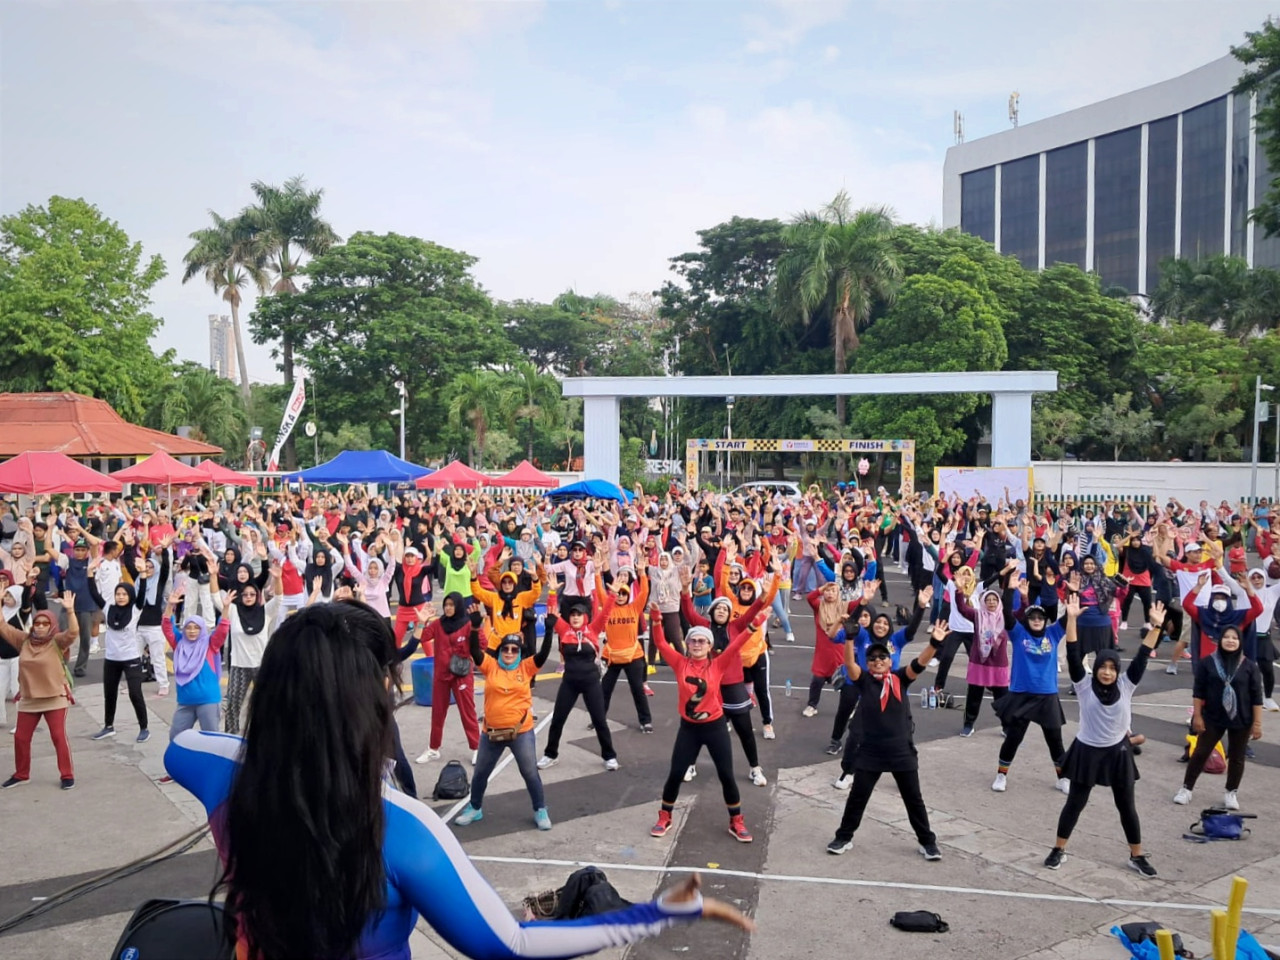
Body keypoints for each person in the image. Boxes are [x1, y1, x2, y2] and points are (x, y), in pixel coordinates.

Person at [165, 600, 751, 960]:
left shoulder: (223, 773)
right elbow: (511, 944)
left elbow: (181, 746)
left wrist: (277, 738)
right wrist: (650, 915)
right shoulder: (399, 827)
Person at [1045, 596, 1161, 878]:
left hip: (1118, 752)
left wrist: (1155, 627)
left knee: (1127, 807)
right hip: (1087, 751)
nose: (1107, 672)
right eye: (1103, 667)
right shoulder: (1083, 685)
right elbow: (1073, 653)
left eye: (1111, 668)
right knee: (1075, 803)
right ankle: (1058, 849)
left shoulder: (1127, 683)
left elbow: (1143, 655)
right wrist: (1071, 619)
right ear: (1095, 669)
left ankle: (1137, 855)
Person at [825, 621, 950, 860]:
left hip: (901, 750)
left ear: (890, 661)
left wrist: (934, 643)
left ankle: (927, 842)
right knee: (857, 798)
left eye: (883, 657)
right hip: (870, 751)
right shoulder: (864, 680)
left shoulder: (901, 678)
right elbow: (850, 665)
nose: (878, 660)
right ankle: (844, 837)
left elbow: (920, 663)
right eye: (873, 658)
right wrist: (849, 639)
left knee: (914, 799)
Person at [649, 614, 755, 843]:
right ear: (687, 644)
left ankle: (736, 820)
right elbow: (659, 643)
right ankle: (665, 816)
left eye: (702, 641)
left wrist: (753, 626)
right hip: (689, 729)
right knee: (676, 773)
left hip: (715, 727)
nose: (697, 644)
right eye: (693, 641)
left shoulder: (718, 664)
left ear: (710, 646)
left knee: (726, 775)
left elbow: (737, 644)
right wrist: (657, 620)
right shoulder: (679, 663)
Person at [991, 569, 1068, 795]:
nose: (1036, 620)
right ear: (1027, 619)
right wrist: (1010, 589)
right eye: (1032, 617)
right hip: (1021, 694)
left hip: (1047, 695)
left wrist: (1073, 591)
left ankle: (1062, 777)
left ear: (1044, 621)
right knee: (1013, 738)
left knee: (1055, 739)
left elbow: (1070, 615)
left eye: (1039, 618)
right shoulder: (1018, 634)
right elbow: (1006, 614)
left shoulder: (1053, 634)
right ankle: (1001, 775)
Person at [1173, 624, 1265, 811]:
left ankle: (1231, 792)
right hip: (1213, 717)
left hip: (1242, 719)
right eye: (1227, 637)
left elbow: (1257, 697)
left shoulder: (1249, 666)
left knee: (1237, 757)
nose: (1230, 641)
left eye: (1235, 638)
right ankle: (1186, 789)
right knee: (1200, 752)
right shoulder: (1208, 663)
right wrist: (1197, 716)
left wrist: (1257, 723)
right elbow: (1198, 692)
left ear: (1240, 642)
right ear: (1220, 640)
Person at [0, 595, 78, 789]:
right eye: (37, 623)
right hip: (29, 699)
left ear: (51, 626)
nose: (41, 627)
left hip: (54, 698)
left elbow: (74, 632)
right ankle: (21, 774)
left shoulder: (57, 641)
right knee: (20, 738)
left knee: (58, 736)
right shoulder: (24, 641)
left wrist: (70, 611)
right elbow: (2, 626)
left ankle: (67, 775)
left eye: (45, 623)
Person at [538, 594, 620, 770]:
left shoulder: (593, 629)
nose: (575, 617)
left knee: (599, 720)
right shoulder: (564, 630)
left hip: (591, 682)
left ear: (585, 617)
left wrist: (612, 595)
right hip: (569, 682)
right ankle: (550, 754)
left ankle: (609, 756)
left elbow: (606, 613)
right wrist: (552, 593)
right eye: (573, 614)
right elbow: (552, 612)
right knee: (558, 720)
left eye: (579, 614)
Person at [410, 593, 481, 765]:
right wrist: (421, 621)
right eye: (446, 604)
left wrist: (477, 628)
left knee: (467, 712)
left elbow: (482, 645)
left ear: (458, 606)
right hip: (441, 675)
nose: (448, 608)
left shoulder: (468, 624)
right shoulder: (438, 624)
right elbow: (422, 636)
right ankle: (433, 749)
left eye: (451, 605)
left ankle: (477, 748)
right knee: (438, 714)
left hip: (462, 675)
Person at [87, 567, 150, 743]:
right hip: (111, 660)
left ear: (130, 596)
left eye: (124, 594)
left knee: (135, 693)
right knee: (110, 693)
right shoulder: (108, 609)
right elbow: (93, 592)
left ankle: (144, 728)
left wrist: (143, 574)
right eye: (118, 594)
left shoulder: (136, 609)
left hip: (131, 658)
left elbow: (142, 593)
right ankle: (108, 726)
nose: (121, 597)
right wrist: (90, 573)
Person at [162, 589, 231, 739]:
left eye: (196, 628)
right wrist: (170, 607)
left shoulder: (210, 645)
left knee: (212, 739)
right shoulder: (179, 643)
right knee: (175, 738)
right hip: (185, 702)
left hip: (208, 701)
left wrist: (225, 609)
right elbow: (167, 627)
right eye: (188, 627)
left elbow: (222, 630)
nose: (192, 631)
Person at [952, 587, 1011, 736]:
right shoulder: (978, 615)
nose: (991, 602)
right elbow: (962, 608)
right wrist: (959, 591)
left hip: (998, 664)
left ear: (999, 602)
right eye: (988, 600)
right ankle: (968, 724)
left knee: (1002, 697)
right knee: (974, 696)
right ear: (983, 602)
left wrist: (1023, 597)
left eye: (994, 600)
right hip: (979, 662)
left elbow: (1022, 613)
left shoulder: (1005, 617)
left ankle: (1007, 725)